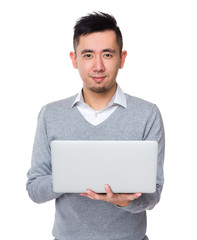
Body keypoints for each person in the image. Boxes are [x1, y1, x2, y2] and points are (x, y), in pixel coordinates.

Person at [26, 12, 165, 240]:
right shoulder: (50, 114)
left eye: (107, 54)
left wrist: (123, 200)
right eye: (88, 55)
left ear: (121, 58)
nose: (98, 66)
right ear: (74, 59)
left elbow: (154, 194)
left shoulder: (147, 114)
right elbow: (34, 190)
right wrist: (73, 174)